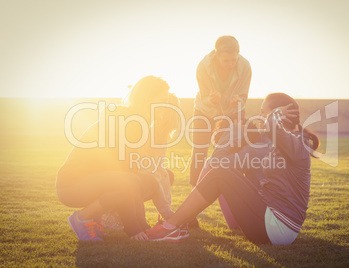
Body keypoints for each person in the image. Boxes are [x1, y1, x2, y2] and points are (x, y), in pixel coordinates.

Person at [146, 93, 320, 245]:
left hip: (276, 228)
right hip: (273, 222)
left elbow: (272, 128)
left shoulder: (297, 143)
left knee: (220, 173)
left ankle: (170, 226)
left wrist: (274, 115)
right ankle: (177, 223)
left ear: (279, 114)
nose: (260, 117)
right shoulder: (285, 143)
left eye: (263, 112)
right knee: (222, 171)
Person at [56, 76, 180, 241]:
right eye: (162, 100)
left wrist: (143, 225)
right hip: (72, 186)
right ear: (147, 98)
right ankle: (82, 217)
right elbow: (125, 178)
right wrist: (134, 228)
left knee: (147, 181)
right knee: (132, 180)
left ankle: (95, 218)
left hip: (97, 182)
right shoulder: (128, 122)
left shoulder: (137, 122)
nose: (166, 106)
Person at [189, 35, 252, 187]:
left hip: (233, 112)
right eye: (226, 60)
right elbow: (204, 96)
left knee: (234, 151)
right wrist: (211, 100)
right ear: (217, 55)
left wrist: (238, 101)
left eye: (234, 60)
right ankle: (195, 192)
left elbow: (244, 94)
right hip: (205, 111)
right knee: (199, 151)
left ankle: (235, 190)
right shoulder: (203, 66)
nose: (230, 64)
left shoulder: (245, 67)